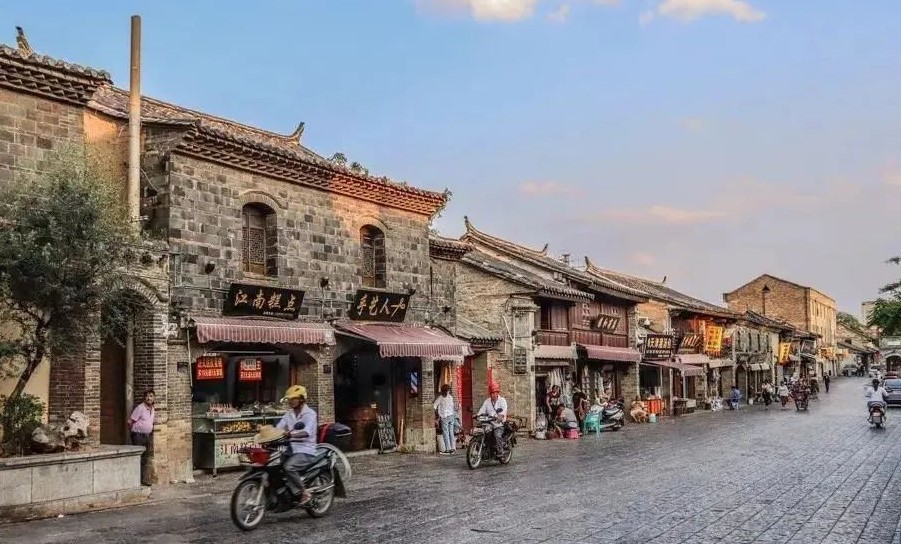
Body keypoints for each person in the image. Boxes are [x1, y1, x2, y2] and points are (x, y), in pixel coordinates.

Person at [276, 384, 317, 506]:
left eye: (294, 398)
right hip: (290, 449)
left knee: (289, 467)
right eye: (289, 399)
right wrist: (268, 433)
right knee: (274, 465)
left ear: (302, 399)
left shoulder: (310, 414)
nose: (291, 401)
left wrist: (291, 435)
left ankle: (303, 492)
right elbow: (279, 427)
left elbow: (306, 432)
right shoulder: (289, 414)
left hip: (306, 450)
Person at [128, 389, 156, 486]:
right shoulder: (140, 408)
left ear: (154, 398)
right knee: (138, 458)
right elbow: (130, 422)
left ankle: (143, 480)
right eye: (147, 396)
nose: (149, 398)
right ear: (144, 397)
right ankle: (135, 480)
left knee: (145, 459)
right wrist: (135, 432)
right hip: (138, 436)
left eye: (151, 396)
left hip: (147, 436)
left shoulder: (153, 409)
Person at [477, 382, 508, 455]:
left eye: (494, 393)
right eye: (491, 393)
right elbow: (482, 409)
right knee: (482, 433)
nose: (492, 395)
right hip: (489, 423)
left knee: (497, 435)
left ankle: (500, 451)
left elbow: (504, 410)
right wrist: (477, 415)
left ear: (497, 393)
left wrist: (501, 416)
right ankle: (485, 448)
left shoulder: (502, 400)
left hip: (499, 424)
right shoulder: (487, 401)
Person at [433, 383, 456, 455]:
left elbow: (434, 406)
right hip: (451, 416)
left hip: (444, 417)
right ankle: (453, 448)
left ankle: (448, 449)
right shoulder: (450, 397)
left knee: (446, 433)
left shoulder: (440, 398)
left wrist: (436, 416)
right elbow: (452, 406)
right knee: (451, 432)